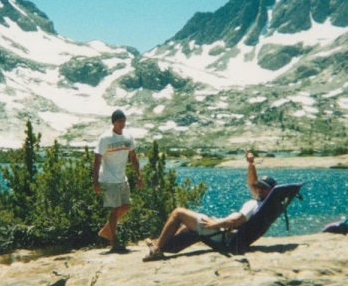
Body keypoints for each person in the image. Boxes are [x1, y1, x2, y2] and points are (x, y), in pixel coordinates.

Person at [143, 150, 276, 261]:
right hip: (224, 233)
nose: (259, 189)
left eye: (264, 188)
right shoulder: (265, 203)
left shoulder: (254, 205)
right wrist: (251, 164)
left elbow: (236, 221)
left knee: (178, 213)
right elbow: (252, 182)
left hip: (221, 233)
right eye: (259, 187)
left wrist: (214, 224)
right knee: (187, 227)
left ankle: (156, 250)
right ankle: (163, 245)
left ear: (272, 190)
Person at [93, 109, 142, 250]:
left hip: (122, 178)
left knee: (126, 206)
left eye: (124, 120)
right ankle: (114, 242)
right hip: (109, 179)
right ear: (113, 122)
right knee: (115, 209)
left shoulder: (128, 137)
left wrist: (139, 175)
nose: (122, 123)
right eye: (120, 121)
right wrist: (95, 181)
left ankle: (106, 231)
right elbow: (97, 160)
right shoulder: (105, 138)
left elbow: (133, 157)